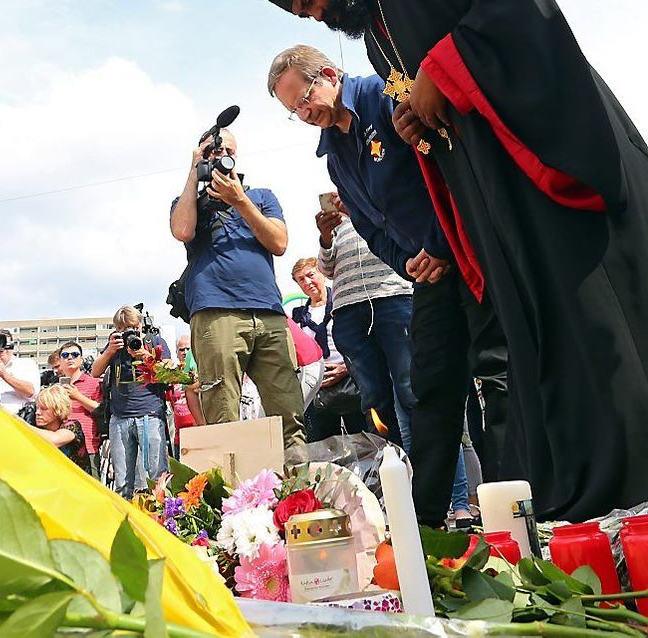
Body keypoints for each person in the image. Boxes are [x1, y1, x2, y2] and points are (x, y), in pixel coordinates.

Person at [268, 0, 648, 522]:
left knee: (533, 359)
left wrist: (441, 73)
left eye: (310, 1)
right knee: (458, 378)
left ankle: (555, 495)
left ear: (327, 76)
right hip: (474, 218)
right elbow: (381, 210)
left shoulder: (374, 92)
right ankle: (468, 513)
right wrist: (415, 124)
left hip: (525, 180)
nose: (315, 14)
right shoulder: (373, 53)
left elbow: (514, 16)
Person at [268, 44, 506, 525]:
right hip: (427, 271)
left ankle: (515, 503)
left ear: (330, 74)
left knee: (497, 375)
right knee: (430, 388)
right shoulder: (335, 158)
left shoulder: (385, 96)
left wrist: (440, 243)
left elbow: (448, 168)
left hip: (469, 251)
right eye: (293, 110)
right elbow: (372, 226)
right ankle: (428, 520)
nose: (305, 111)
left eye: (305, 96)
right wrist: (411, 261)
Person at [170, 126, 306, 452]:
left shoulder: (260, 196)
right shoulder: (190, 201)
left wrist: (239, 199)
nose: (221, 155)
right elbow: (182, 230)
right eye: (212, 151)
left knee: (289, 408)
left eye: (227, 150)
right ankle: (232, 498)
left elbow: (279, 242)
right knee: (222, 412)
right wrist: (193, 171)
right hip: (216, 311)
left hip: (269, 312)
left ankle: (301, 491)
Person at [315, 203, 414, 448]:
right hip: (348, 311)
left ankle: (433, 474)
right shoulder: (339, 223)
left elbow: (407, 235)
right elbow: (326, 269)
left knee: (411, 389)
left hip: (393, 297)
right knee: (372, 398)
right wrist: (326, 238)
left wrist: (360, 211)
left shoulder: (378, 201)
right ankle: (391, 464)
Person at [91, 305, 171, 498]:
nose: (129, 333)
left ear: (141, 325)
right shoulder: (114, 347)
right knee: (123, 482)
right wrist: (110, 351)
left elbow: (169, 373)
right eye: (123, 329)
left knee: (157, 477)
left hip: (150, 414)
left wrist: (145, 355)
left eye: (133, 328)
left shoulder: (154, 342)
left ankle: (161, 520)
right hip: (119, 418)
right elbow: (95, 372)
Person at [290, 258, 367, 440]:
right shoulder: (299, 316)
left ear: (322, 275)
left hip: (351, 382)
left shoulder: (343, 303)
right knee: (324, 445)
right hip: (319, 390)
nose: (307, 282)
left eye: (310, 275)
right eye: (301, 279)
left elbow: (363, 341)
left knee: (363, 439)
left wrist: (345, 368)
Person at [58, 341, 103, 478]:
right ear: (60, 361)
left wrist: (77, 396)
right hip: (61, 445)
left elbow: (100, 410)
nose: (70, 358)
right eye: (65, 355)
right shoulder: (56, 388)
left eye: (74, 354)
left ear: (81, 359)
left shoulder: (94, 382)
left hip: (88, 446)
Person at [32, 384, 87, 470]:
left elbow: (54, 440)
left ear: (58, 409)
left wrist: (20, 424)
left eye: (43, 409)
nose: (37, 413)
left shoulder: (73, 426)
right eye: (37, 408)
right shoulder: (38, 428)